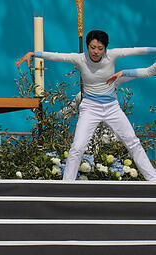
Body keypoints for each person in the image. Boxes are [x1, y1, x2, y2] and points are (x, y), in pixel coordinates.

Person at [16, 29, 156, 181]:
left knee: (133, 142)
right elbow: (58, 56)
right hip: (90, 107)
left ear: (106, 48)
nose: (96, 52)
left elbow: (136, 51)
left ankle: (153, 179)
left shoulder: (113, 55)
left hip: (112, 107)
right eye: (92, 47)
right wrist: (33, 53)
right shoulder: (79, 59)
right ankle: (66, 184)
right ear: (87, 46)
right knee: (77, 147)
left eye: (100, 48)